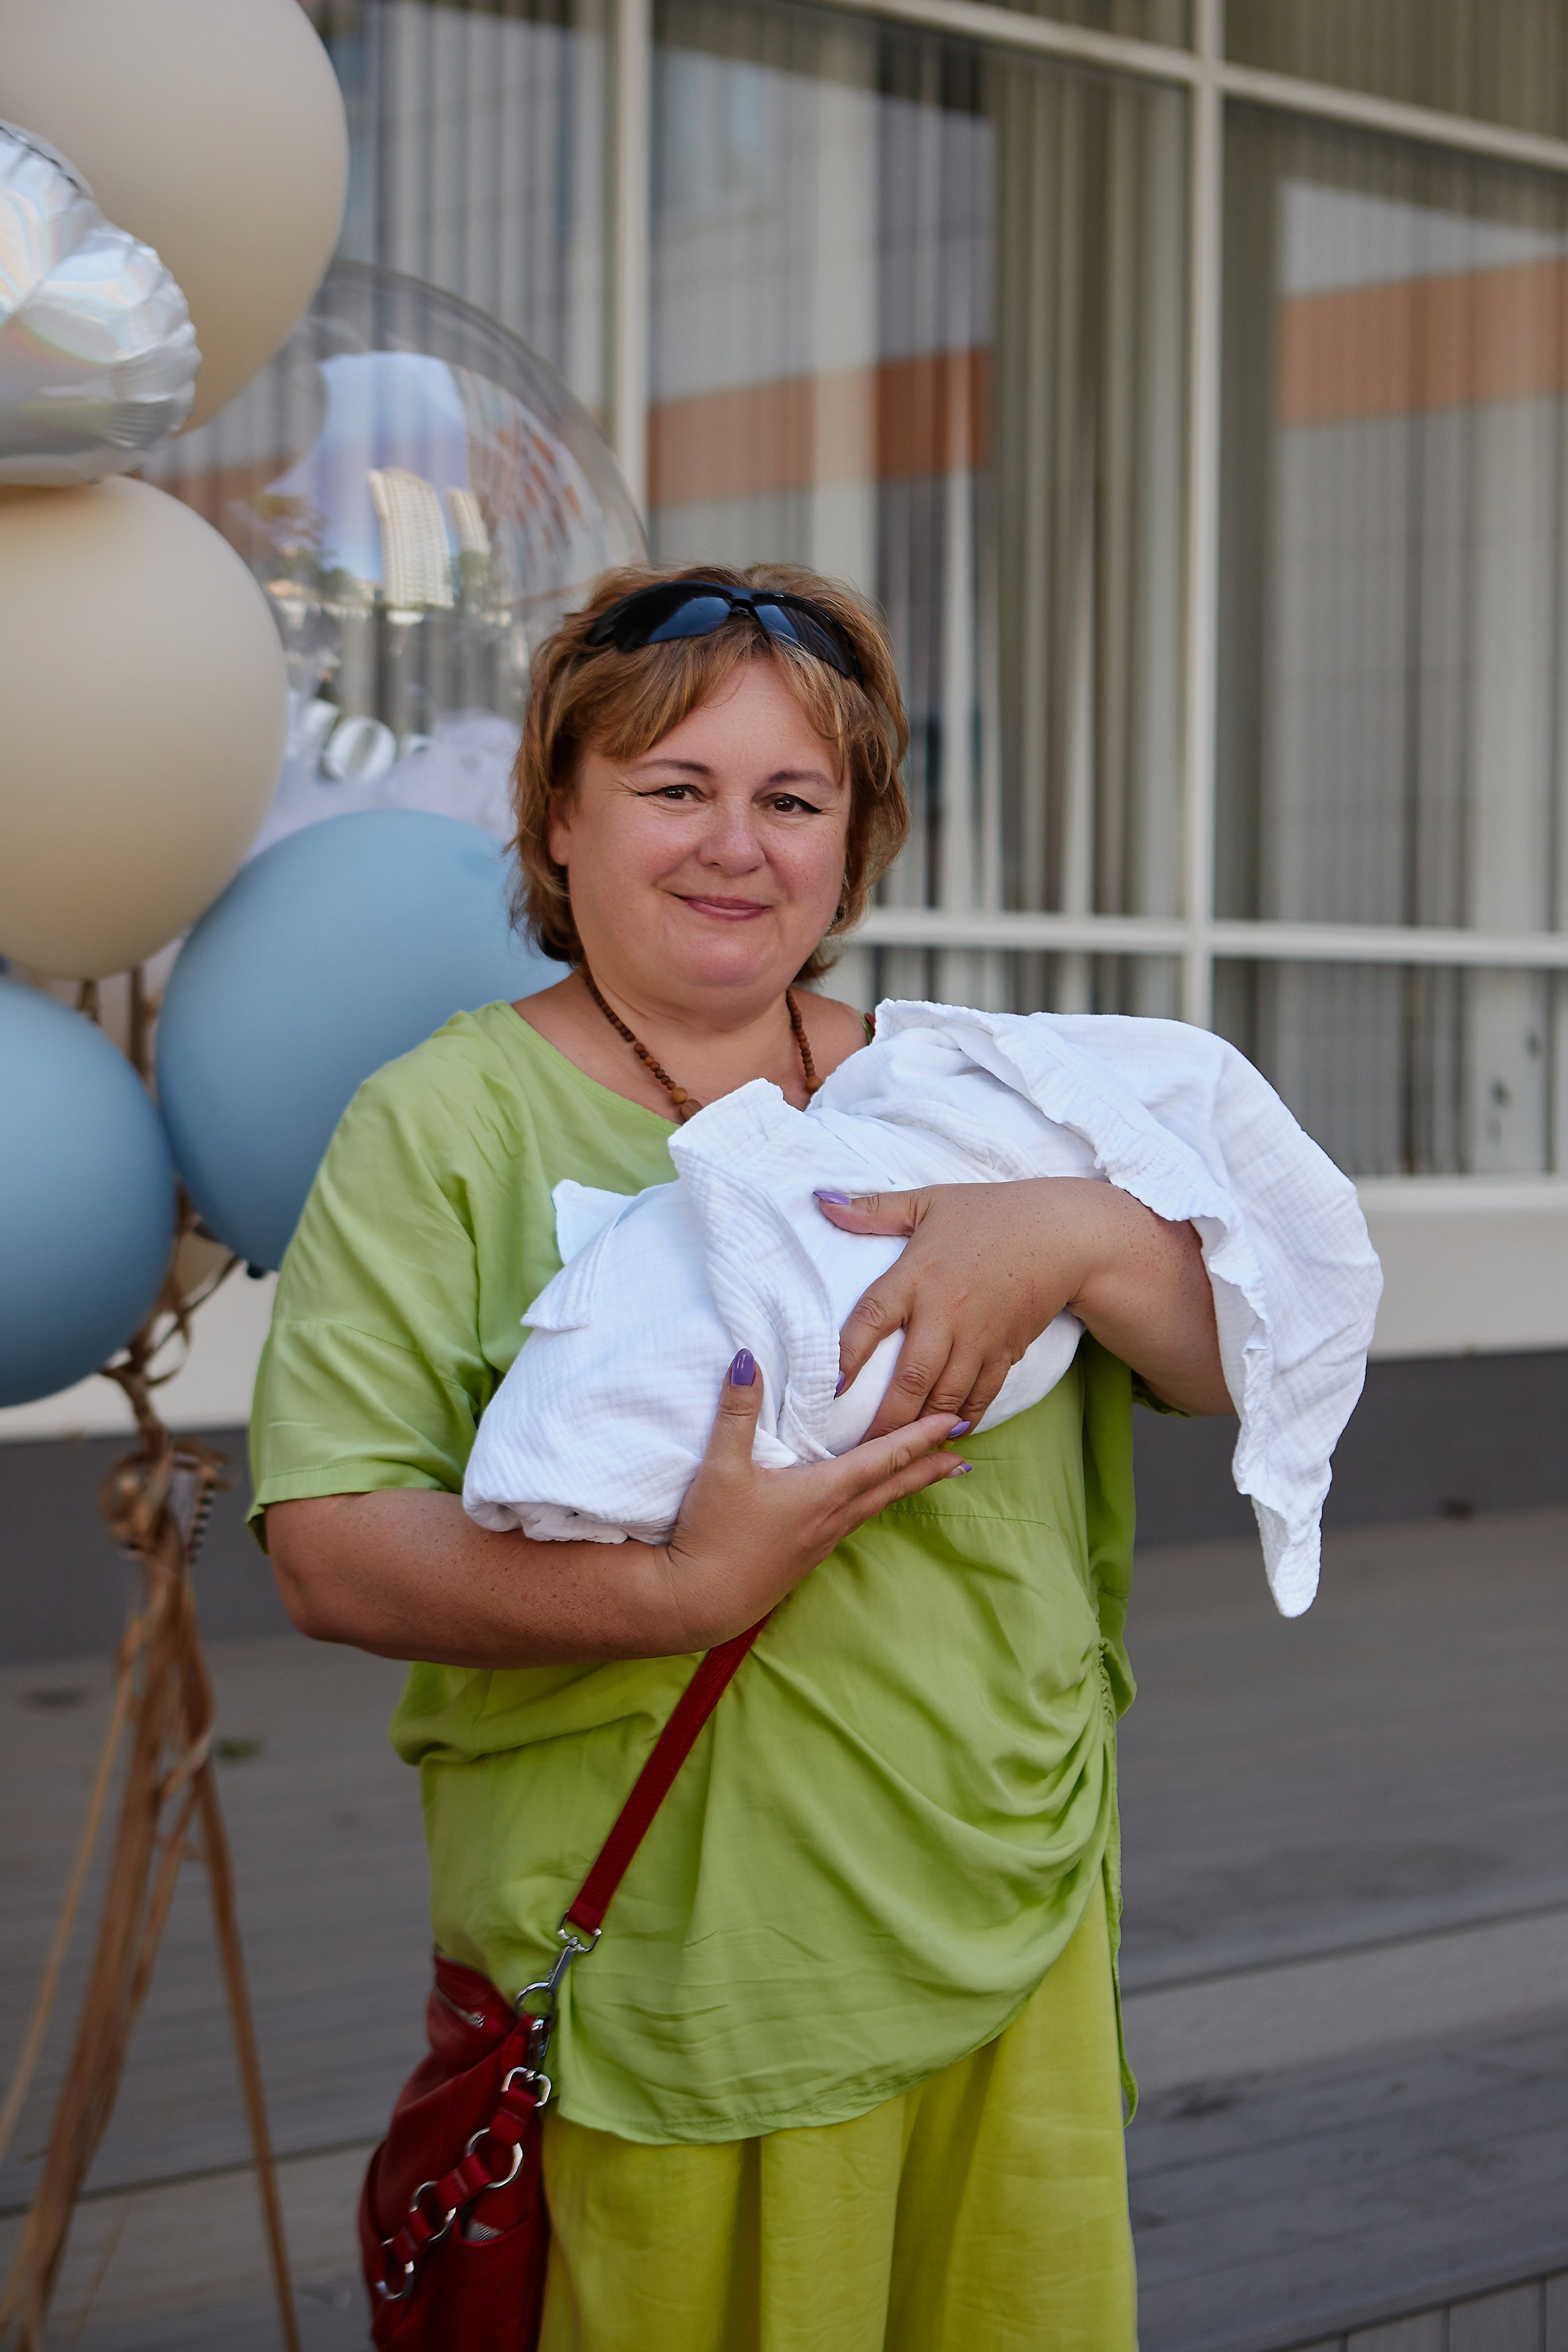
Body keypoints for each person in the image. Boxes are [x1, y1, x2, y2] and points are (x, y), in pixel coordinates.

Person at [253, 561, 1234, 2350]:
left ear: (856, 843)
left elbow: (1254, 1354)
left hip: (1002, 1921)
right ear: (559, 818)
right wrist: (682, 1590)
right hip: (676, 1986)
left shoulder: (974, 1094)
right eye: (674, 789)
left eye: (793, 800)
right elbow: (326, 1543)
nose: (737, 846)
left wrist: (1083, 1233)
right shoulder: (445, 1124)